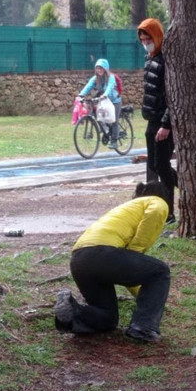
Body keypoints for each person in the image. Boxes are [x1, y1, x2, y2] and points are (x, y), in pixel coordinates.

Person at [54, 181, 171, 343]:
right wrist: (136, 250)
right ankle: (143, 328)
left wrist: (150, 300)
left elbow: (131, 275)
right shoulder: (157, 201)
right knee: (160, 271)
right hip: (102, 253)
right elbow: (156, 211)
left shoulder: (127, 208)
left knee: (107, 316)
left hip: (79, 259)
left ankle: (73, 312)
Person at [137, 18, 177, 223]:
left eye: (149, 39)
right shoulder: (149, 58)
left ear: (157, 36)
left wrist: (166, 124)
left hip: (163, 122)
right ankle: (161, 204)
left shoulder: (166, 60)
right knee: (154, 165)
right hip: (151, 120)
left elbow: (173, 95)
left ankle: (169, 211)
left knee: (162, 165)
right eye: (143, 40)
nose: (146, 43)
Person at [78, 58, 122, 150]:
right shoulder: (95, 78)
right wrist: (81, 95)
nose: (99, 70)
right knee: (98, 115)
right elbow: (88, 86)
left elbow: (110, 87)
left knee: (114, 121)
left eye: (101, 68)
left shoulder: (111, 77)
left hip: (114, 101)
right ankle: (106, 130)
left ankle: (114, 141)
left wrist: (105, 95)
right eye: (97, 68)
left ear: (106, 68)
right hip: (104, 101)